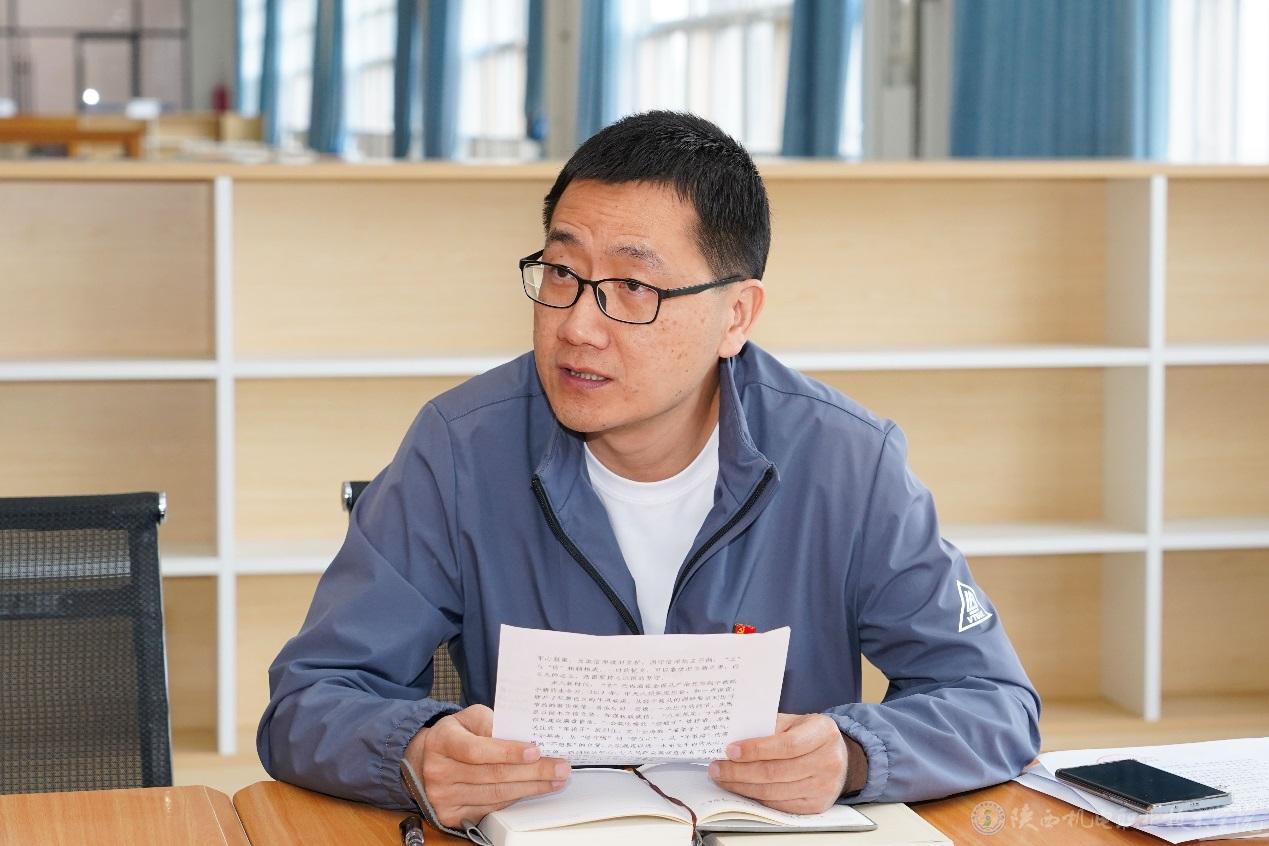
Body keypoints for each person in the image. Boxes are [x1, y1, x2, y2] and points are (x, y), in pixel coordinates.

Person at [258, 111, 1041, 833]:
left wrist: (853, 754)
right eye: (560, 273)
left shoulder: (846, 463)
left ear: (735, 315)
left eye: (631, 287)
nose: (577, 325)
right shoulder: (460, 449)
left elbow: (992, 702)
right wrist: (413, 749)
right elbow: (307, 699)